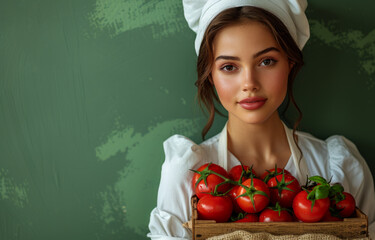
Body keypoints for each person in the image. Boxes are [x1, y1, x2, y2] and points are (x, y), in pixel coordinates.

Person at [147, 0, 375, 239]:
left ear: (290, 63)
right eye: (229, 67)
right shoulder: (184, 176)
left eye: (267, 61)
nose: (249, 83)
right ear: (211, 75)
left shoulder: (339, 168)